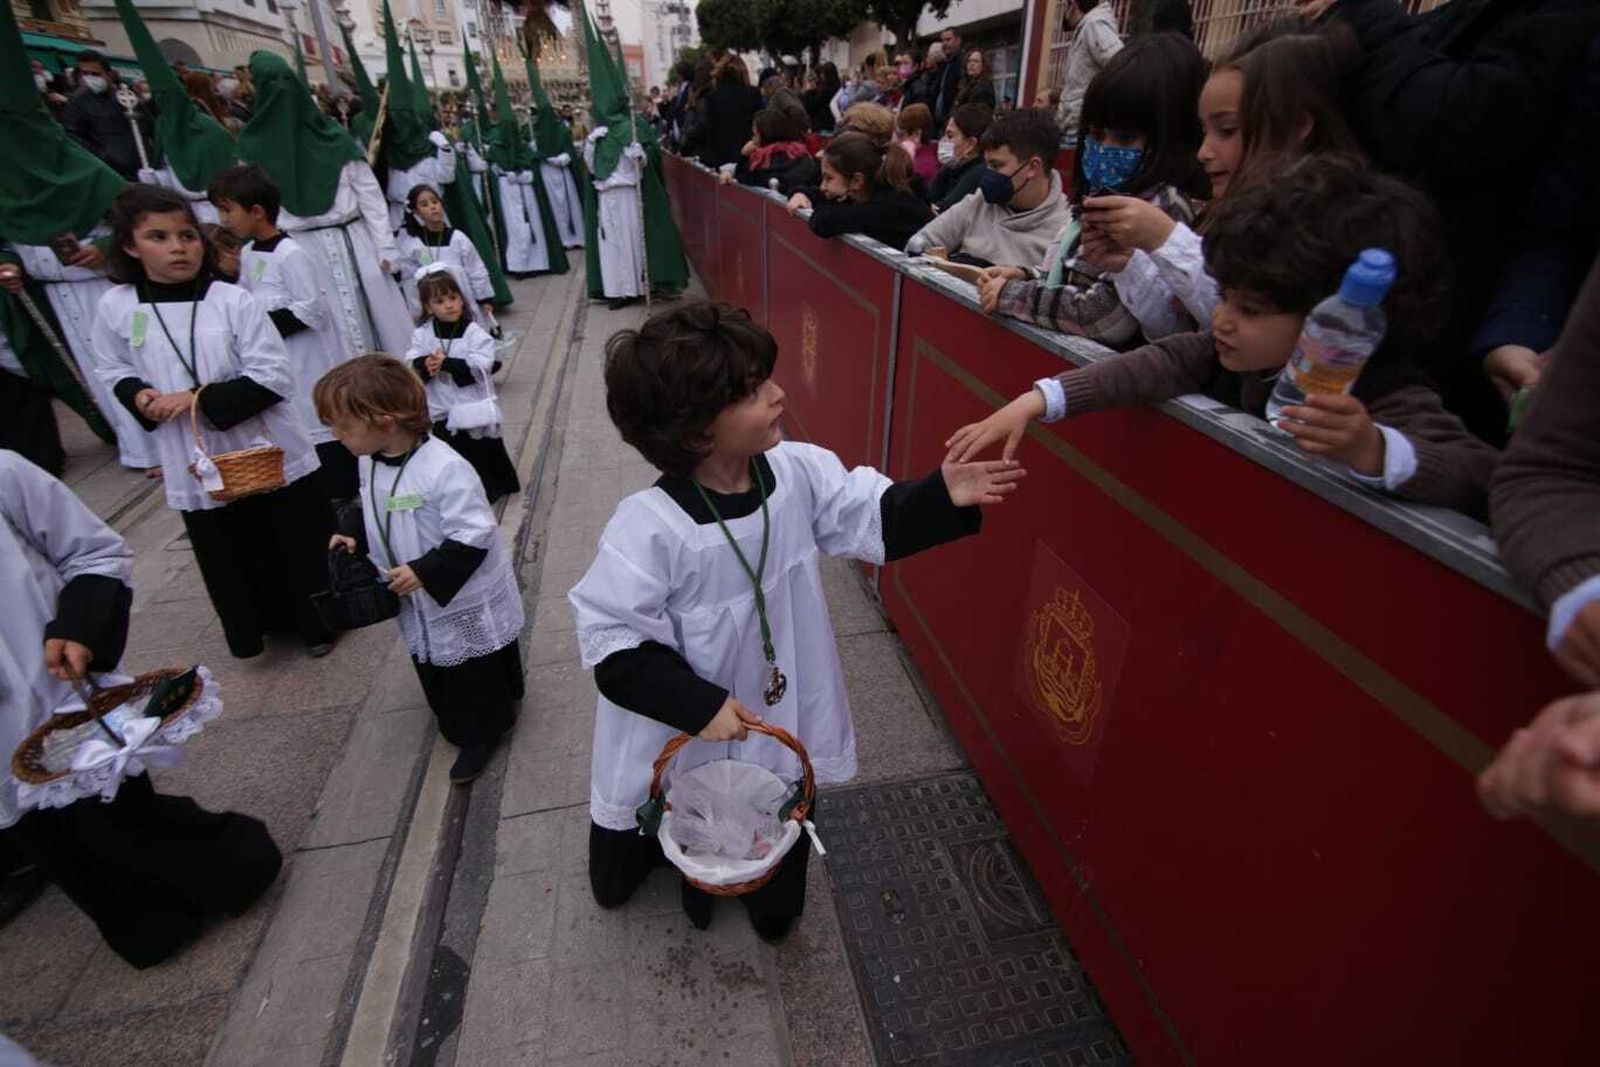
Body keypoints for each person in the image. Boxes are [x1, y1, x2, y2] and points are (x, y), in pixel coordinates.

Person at [568, 302, 1024, 938]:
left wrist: (939, 495)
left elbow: (866, 515)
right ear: (698, 430)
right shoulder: (647, 529)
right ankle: (663, 863)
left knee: (776, 781)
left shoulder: (796, 472)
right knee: (673, 787)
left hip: (775, 684)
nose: (780, 394)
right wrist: (697, 704)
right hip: (686, 704)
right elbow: (614, 640)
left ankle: (768, 890)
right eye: (755, 391)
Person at [947, 156, 1497, 518]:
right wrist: (1039, 399)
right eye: (1225, 296)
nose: (1222, 319)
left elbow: (1478, 473)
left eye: (1249, 309)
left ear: (1341, 315)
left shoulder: (1388, 391)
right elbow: (1157, 362)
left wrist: (1371, 449)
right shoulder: (1228, 348)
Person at [0, 450, 283, 965]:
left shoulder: (4, 473)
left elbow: (92, 554)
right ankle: (144, 927)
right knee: (56, 848)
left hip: (55, 688)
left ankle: (232, 866)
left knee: (120, 820)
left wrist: (78, 628)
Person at [1311, 0, 1600, 444]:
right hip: (1470, 352)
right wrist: (1517, 331)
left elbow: (1448, 119)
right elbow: (1559, 224)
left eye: (1228, 129)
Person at [92, 184, 336, 658]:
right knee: (228, 547)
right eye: (158, 237)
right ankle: (254, 629)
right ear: (129, 246)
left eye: (187, 235)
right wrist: (139, 395)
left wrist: (195, 399)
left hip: (260, 442)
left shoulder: (231, 299)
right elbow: (111, 365)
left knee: (287, 537)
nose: (178, 247)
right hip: (192, 449)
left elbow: (272, 374)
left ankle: (316, 624)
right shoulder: (118, 306)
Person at [1064, 24, 1362, 345]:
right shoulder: (1227, 216)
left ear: (1296, 126)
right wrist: (1129, 267)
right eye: (1204, 132)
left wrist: (1164, 239)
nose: (1204, 152)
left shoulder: (1325, 234)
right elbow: (1181, 335)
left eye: (1227, 130)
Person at [321, 355, 523, 785]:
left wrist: (427, 570)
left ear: (387, 421)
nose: (335, 435)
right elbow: (368, 500)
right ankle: (460, 707)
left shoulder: (445, 467)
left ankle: (481, 732)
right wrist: (352, 530)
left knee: (474, 660)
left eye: (343, 426)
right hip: (410, 581)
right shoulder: (370, 458)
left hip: (452, 582)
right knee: (436, 654)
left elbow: (474, 530)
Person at [975, 34, 1209, 348]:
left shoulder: (1162, 207)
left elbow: (1103, 317)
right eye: (1097, 135)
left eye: (1125, 139)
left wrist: (1014, 295)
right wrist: (1025, 276)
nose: (1105, 148)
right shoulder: (1101, 196)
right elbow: (1070, 276)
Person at [236, 51, 413, 359]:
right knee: (324, 327)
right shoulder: (251, 148)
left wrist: (385, 245)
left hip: (354, 242)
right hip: (299, 250)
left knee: (377, 318)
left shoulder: (333, 138)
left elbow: (370, 195)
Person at [209, 163, 361, 501]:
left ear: (257, 211)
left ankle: (342, 495)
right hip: (279, 358)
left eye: (228, 210)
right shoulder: (248, 253)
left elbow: (309, 309)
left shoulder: (291, 254)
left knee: (317, 420)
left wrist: (259, 325)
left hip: (307, 358)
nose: (224, 220)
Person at [579, 7, 687, 309]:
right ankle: (616, 290)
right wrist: (590, 145)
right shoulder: (596, 134)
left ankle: (639, 286)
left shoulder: (632, 126)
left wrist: (638, 153)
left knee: (631, 245)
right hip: (606, 197)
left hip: (629, 195)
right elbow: (592, 170)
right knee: (611, 247)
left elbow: (644, 165)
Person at [404, 266, 519, 502]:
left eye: (453, 298)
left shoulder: (472, 331)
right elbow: (412, 356)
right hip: (442, 404)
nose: (449, 305)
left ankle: (492, 487)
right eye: (440, 301)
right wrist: (426, 364)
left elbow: (483, 363)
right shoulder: (424, 332)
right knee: (452, 450)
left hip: (469, 403)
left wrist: (448, 363)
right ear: (428, 307)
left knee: (480, 449)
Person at [905, 108, 1073, 269]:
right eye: (988, 165)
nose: (988, 174)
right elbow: (921, 242)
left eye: (997, 166)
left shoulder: (1065, 230)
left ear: (1032, 167)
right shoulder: (978, 202)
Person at [784, 134, 932, 252]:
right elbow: (825, 195)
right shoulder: (873, 194)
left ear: (857, 181)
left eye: (828, 178)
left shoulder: (886, 206)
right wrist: (803, 194)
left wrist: (819, 200)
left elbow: (822, 221)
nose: (823, 186)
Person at [394, 184, 496, 330]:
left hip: (460, 294)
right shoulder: (415, 243)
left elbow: (475, 269)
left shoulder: (458, 238)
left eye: (435, 202)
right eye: (424, 204)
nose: (432, 207)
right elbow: (407, 270)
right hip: (432, 298)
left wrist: (484, 298)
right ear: (416, 212)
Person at [61, 51, 147, 180]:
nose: (90, 78)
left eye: (95, 74)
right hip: (109, 172)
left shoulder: (125, 96)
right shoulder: (77, 101)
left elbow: (147, 126)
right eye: (85, 73)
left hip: (141, 167)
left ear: (109, 75)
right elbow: (74, 137)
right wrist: (104, 157)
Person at [528, 56, 586, 250]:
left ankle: (576, 236)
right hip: (546, 175)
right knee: (554, 207)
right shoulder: (535, 134)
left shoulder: (562, 130)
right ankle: (560, 239)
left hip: (562, 173)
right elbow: (532, 154)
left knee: (569, 206)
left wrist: (556, 159)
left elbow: (569, 153)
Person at [1054, 0, 1125, 144]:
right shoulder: (1088, 27)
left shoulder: (1093, 25)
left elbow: (1120, 66)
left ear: (1073, 5)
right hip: (1077, 126)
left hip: (1082, 128)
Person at [728, 109, 819, 196]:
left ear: (765, 135)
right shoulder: (801, 153)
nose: (752, 139)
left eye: (755, 135)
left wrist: (744, 156)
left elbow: (745, 178)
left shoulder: (765, 161)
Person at [699, 54, 762, 169]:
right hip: (748, 157)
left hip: (720, 158)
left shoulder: (711, 97)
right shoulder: (754, 94)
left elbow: (707, 131)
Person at [930, 103, 993, 213]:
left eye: (950, 136)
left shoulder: (978, 174)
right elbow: (927, 198)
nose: (943, 141)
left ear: (971, 144)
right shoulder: (952, 168)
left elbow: (943, 210)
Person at [896, 103, 940, 185]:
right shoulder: (933, 151)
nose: (899, 141)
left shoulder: (919, 168)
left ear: (917, 134)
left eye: (901, 135)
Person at [934, 29, 965, 125]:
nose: (944, 44)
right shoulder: (943, 65)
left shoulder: (962, 63)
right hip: (939, 119)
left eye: (948, 40)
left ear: (958, 41)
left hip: (952, 119)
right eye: (942, 41)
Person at [801, 62, 841, 134]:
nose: (821, 76)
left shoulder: (825, 91)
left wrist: (809, 91)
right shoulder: (837, 87)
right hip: (832, 125)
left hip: (821, 126)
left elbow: (811, 105)